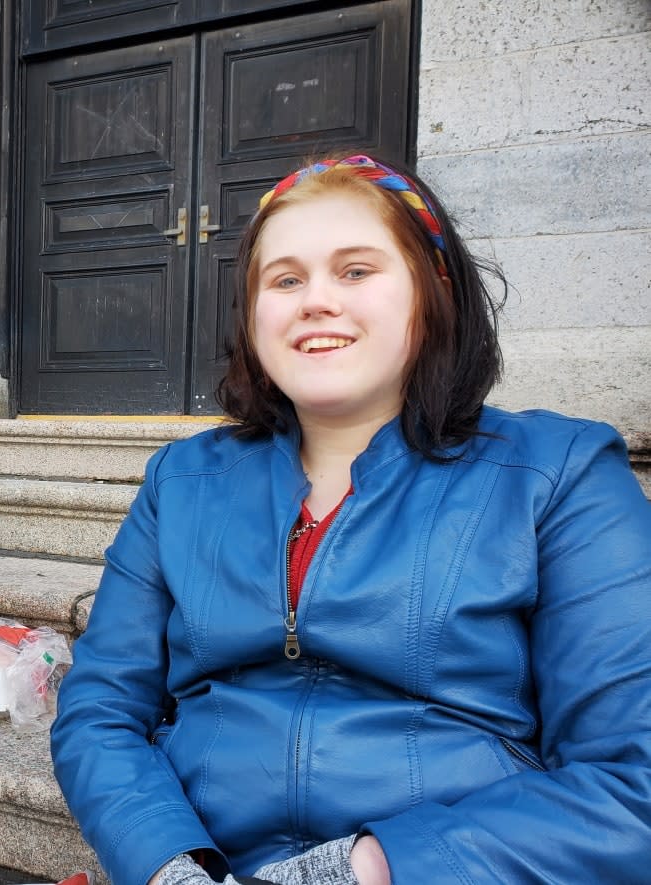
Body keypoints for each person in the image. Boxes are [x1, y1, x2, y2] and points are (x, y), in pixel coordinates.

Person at [50, 153, 651, 885]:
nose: (316, 301)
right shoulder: (183, 481)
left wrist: (362, 869)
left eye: (356, 270)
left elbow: (632, 779)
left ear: (433, 292)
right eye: (286, 279)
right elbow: (101, 709)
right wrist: (167, 863)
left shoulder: (559, 474)